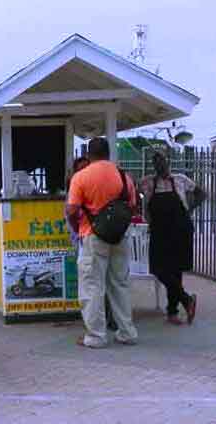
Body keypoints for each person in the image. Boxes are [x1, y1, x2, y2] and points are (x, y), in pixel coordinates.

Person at [66, 138, 138, 348]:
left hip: (93, 236)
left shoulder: (81, 177)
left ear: (89, 155)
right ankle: (127, 332)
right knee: (120, 283)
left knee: (92, 286)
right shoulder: (124, 176)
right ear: (109, 153)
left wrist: (79, 227)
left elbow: (71, 210)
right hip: (120, 236)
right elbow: (132, 206)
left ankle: (96, 336)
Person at [140, 151, 205, 325]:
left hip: (180, 229)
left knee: (175, 270)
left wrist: (190, 209)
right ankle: (186, 299)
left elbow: (201, 193)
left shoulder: (180, 179)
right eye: (156, 162)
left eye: (162, 161)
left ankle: (172, 312)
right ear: (153, 166)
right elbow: (132, 194)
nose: (160, 165)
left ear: (167, 162)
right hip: (159, 230)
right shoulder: (147, 183)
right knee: (158, 269)